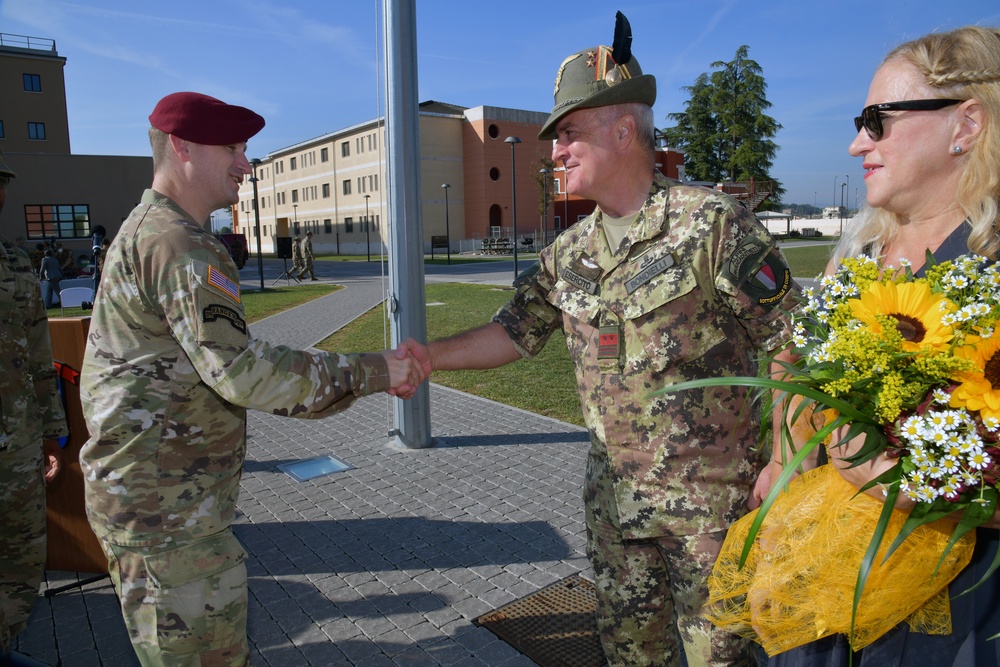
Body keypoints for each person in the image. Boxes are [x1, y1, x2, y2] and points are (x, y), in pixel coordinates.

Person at [399, 15, 800, 667]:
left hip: (711, 513)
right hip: (616, 511)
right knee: (628, 654)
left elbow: (792, 340)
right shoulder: (571, 252)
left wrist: (785, 457)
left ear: (622, 128)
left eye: (570, 134)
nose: (554, 151)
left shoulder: (712, 226)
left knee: (723, 657)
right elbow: (513, 331)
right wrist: (429, 357)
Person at [79, 91, 426, 666]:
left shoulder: (154, 231)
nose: (246, 164)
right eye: (233, 148)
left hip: (160, 502)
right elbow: (242, 371)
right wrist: (374, 371)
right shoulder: (177, 244)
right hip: (167, 514)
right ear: (182, 146)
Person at [750, 25, 1000, 667]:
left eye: (876, 120)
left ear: (965, 124)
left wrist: (899, 482)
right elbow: (794, 359)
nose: (857, 142)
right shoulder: (862, 253)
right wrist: (784, 458)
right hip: (838, 582)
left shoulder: (989, 265)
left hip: (955, 605)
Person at [0, 149, 66, 659]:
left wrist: (51, 431)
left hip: (15, 445)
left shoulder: (14, 262)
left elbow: (40, 355)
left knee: (21, 560)